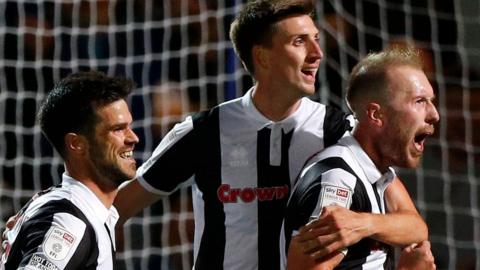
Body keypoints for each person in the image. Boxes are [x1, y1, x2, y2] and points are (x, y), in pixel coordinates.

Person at [111, 1, 429, 269]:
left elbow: (413, 223)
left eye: (317, 39)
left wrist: (364, 224)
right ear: (263, 57)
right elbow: (117, 208)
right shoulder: (204, 132)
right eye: (300, 42)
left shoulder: (337, 130)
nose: (318, 53)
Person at [281, 47, 440, 269]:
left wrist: (364, 224)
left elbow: (416, 228)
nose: (434, 114)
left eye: (431, 101)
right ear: (376, 114)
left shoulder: (375, 169)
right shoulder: (338, 180)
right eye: (420, 101)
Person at [0, 71, 139, 270]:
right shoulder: (69, 222)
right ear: (76, 144)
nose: (133, 138)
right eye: (118, 129)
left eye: (129, 126)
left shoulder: (79, 209)